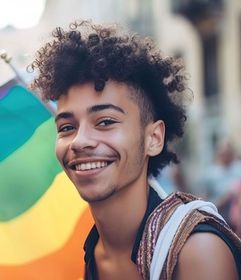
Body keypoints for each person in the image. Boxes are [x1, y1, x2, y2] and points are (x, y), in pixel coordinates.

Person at [29, 20, 241, 280]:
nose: (79, 141)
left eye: (105, 122)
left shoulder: (197, 251)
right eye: (66, 127)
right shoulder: (90, 252)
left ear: (154, 138)